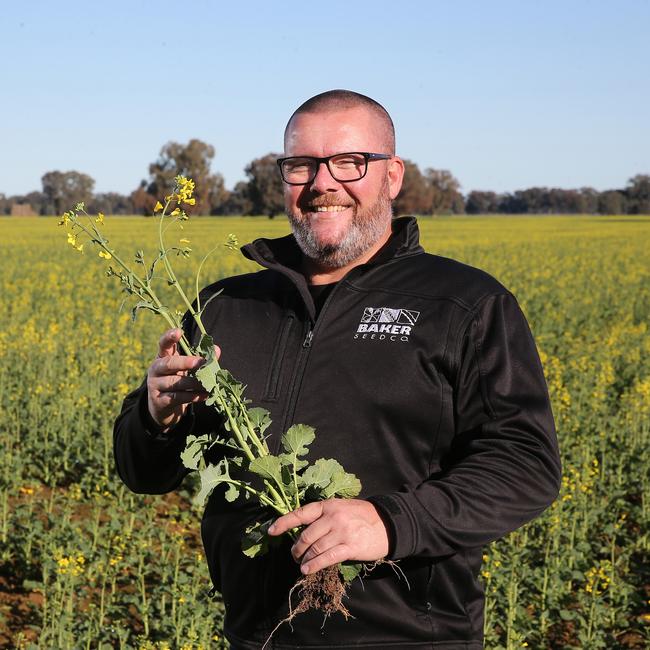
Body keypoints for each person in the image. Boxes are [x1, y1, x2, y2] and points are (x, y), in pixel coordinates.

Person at [114, 89, 561, 649]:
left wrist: (391, 523)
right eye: (301, 165)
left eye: (350, 162)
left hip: (409, 638)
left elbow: (526, 464)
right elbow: (143, 473)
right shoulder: (224, 306)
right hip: (257, 636)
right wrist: (156, 418)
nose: (323, 183)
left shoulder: (465, 304)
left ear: (392, 175)